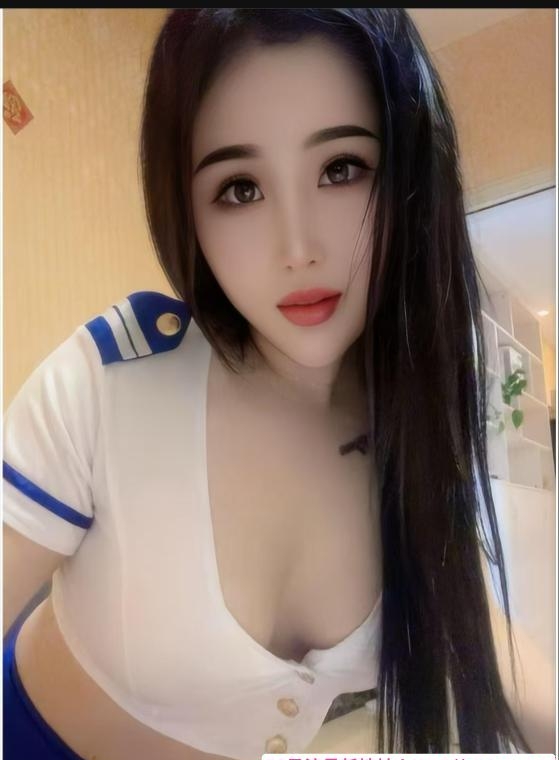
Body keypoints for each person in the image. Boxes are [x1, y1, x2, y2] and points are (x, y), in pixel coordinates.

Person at [2, 8, 555, 759]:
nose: (298, 248)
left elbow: (475, 631)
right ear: (185, 208)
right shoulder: (111, 386)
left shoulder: (410, 426)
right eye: (239, 188)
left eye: (341, 168)